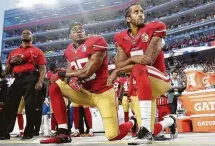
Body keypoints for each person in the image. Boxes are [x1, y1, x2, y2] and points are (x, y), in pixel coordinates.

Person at [40, 22, 138, 144]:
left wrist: (65, 74)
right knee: (55, 85)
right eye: (75, 30)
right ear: (70, 35)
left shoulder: (97, 41)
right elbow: (71, 71)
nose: (79, 31)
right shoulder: (69, 50)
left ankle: (133, 121)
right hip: (85, 92)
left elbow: (87, 71)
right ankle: (63, 132)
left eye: (81, 28)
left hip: (103, 93)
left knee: (113, 136)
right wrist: (70, 78)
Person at [108, 4, 177, 144]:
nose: (141, 14)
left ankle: (144, 130)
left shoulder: (154, 28)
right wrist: (132, 58)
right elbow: (119, 65)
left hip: (160, 80)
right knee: (150, 129)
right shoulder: (121, 38)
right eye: (136, 12)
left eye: (142, 12)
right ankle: (170, 121)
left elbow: (148, 61)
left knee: (140, 68)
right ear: (128, 18)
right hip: (141, 87)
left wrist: (120, 69)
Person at [0, 30, 46, 140]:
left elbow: (42, 68)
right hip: (17, 79)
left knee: (30, 106)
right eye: (23, 33)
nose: (25, 33)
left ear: (32, 37)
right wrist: (11, 62)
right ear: (21, 37)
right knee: (9, 105)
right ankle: (5, 132)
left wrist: (40, 81)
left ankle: (29, 132)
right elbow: (8, 71)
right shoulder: (13, 52)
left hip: (31, 78)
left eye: (28, 33)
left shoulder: (37, 51)